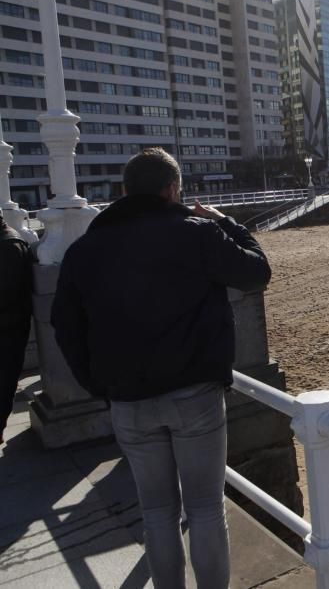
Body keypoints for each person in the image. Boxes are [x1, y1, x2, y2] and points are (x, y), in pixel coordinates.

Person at [52, 147, 271, 588]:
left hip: (128, 400)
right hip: (194, 395)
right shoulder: (195, 233)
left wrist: (98, 383)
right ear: (173, 190)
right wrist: (226, 223)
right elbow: (256, 273)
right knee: (206, 508)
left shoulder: (84, 249)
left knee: (156, 513)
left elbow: (64, 323)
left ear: (124, 192)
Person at [0, 212, 34, 443]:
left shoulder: (9, 245)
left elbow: (8, 295)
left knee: (4, 380)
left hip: (8, 330)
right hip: (9, 327)